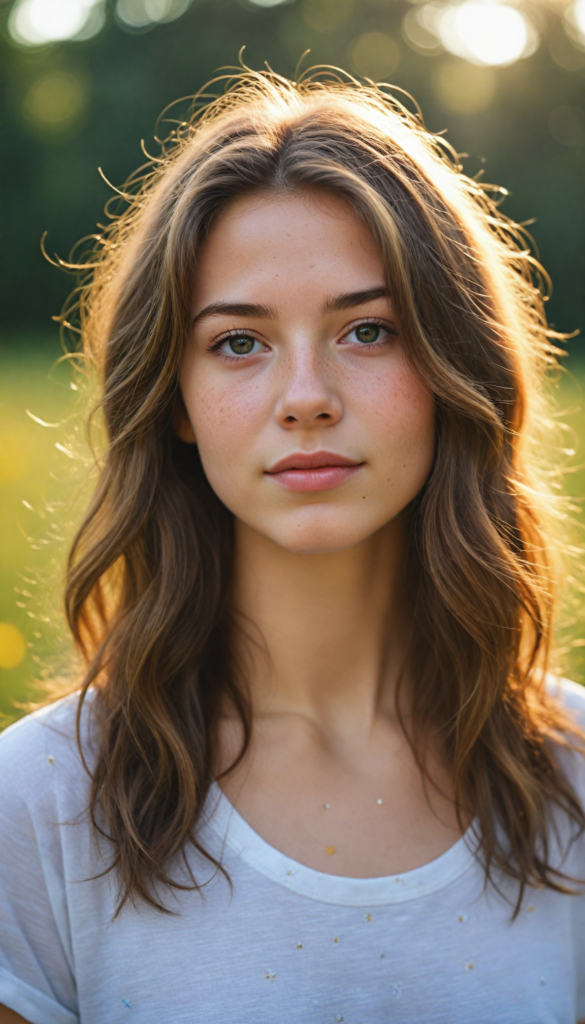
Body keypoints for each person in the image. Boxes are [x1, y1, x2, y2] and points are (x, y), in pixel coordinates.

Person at [1, 66, 584, 1023]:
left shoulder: (571, 781)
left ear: (450, 368)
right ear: (175, 399)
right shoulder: (37, 805)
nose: (305, 394)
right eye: (239, 342)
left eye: (367, 330)